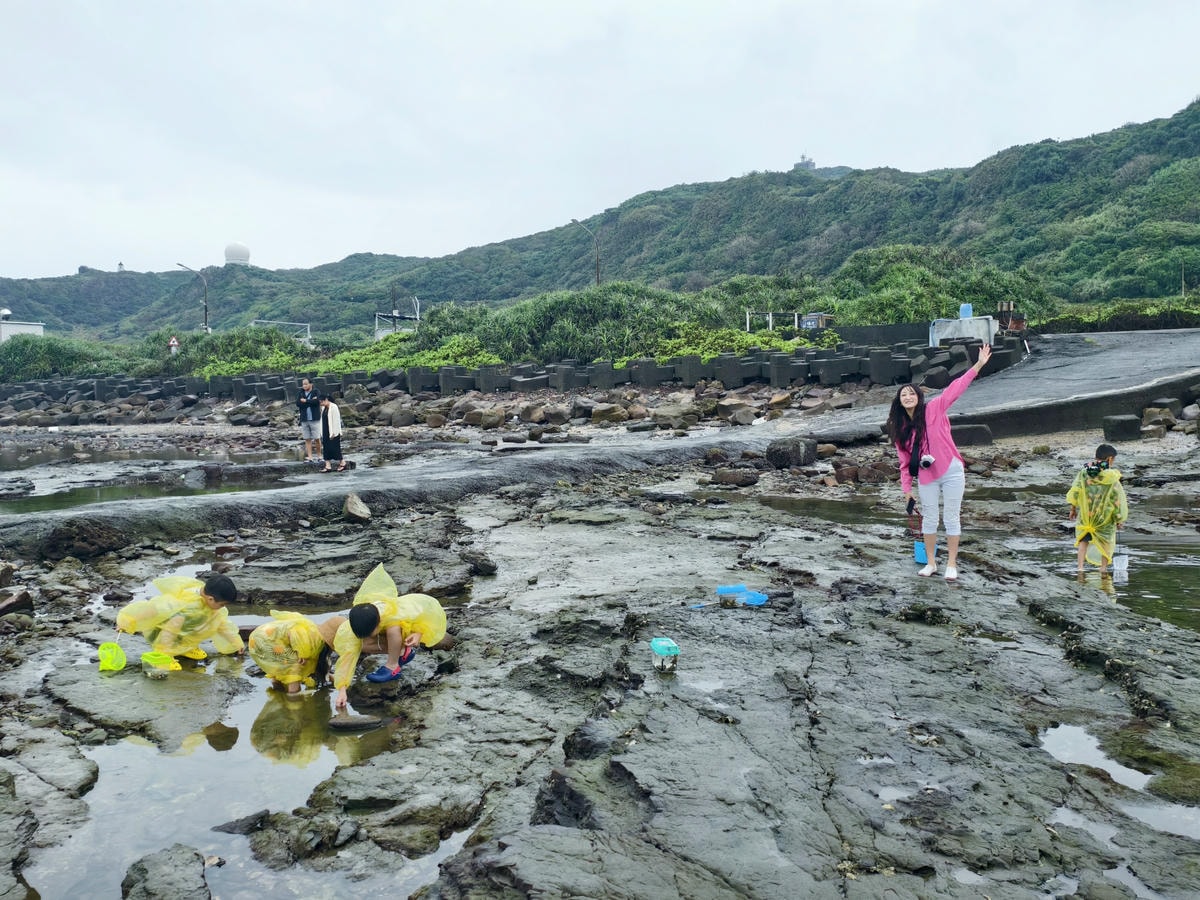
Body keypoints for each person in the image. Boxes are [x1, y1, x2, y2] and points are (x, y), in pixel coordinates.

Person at [886, 342, 992, 582]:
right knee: (931, 518)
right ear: (899, 402)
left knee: (951, 517)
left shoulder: (934, 409)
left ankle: (952, 564)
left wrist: (978, 364)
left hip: (951, 470)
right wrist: (906, 491)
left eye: (912, 393)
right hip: (926, 477)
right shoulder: (901, 430)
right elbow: (904, 465)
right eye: (904, 395)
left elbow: (955, 388)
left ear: (919, 396)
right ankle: (932, 563)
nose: (908, 396)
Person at [332, 564, 447, 710]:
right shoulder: (355, 625)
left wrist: (418, 633)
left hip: (405, 629)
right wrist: (342, 689)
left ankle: (393, 666)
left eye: (370, 632)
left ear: (378, 623)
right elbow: (347, 657)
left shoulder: (395, 612)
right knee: (361, 644)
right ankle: (402, 652)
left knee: (393, 628)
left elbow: (425, 614)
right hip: (391, 632)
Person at [116, 573, 244, 661]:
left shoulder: (208, 602)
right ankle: (163, 654)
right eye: (222, 604)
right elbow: (154, 610)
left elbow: (221, 625)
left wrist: (235, 642)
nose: (222, 607)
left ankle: (184, 648)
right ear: (210, 599)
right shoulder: (187, 604)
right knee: (177, 622)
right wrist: (129, 621)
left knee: (213, 620)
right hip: (161, 632)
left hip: (183, 632)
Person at [1067, 443, 1129, 576]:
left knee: (1083, 540)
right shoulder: (1112, 476)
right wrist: (1118, 518)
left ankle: (1080, 568)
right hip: (1104, 518)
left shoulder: (1084, 472)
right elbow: (1116, 499)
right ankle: (1103, 569)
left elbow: (1075, 490)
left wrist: (1073, 509)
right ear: (1110, 459)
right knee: (1106, 543)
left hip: (1087, 516)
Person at [248, 611, 341, 694]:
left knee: (282, 666)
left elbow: (322, 669)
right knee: (295, 666)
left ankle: (277, 689)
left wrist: (340, 683)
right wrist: (302, 653)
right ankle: (294, 699)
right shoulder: (314, 636)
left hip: (258, 638)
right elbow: (292, 634)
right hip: (265, 640)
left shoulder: (314, 630)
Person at [297, 377, 322, 462]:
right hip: (304, 419)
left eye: (306, 384)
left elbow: (317, 402)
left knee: (317, 438)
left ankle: (319, 456)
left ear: (311, 384)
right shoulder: (301, 392)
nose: (304, 386)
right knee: (307, 438)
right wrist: (310, 401)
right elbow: (298, 403)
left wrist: (306, 401)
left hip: (314, 418)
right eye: (303, 384)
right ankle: (310, 457)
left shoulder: (316, 391)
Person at [320, 394, 346, 473]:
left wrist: (334, 432)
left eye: (321, 402)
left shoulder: (334, 407)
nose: (321, 403)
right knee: (326, 448)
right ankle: (327, 465)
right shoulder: (324, 408)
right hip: (325, 430)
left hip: (333, 431)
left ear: (326, 400)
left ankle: (342, 462)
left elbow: (336, 421)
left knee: (335, 448)